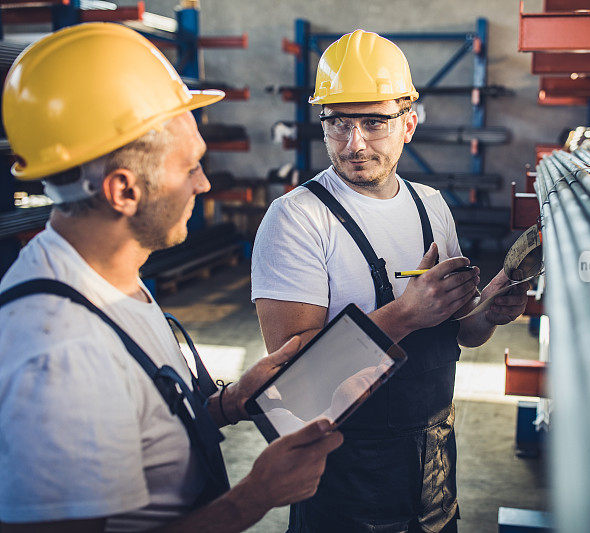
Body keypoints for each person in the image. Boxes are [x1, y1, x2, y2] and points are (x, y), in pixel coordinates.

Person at [0, 23, 342, 532]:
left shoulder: (104, 281)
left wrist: (228, 403)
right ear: (123, 191)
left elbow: (140, 430)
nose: (204, 183)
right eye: (190, 168)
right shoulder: (63, 358)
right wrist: (256, 496)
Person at [251, 29, 528, 532]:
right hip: (345, 476)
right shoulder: (296, 219)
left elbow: (458, 334)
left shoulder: (432, 207)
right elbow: (294, 386)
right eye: (338, 124)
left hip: (434, 465)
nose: (355, 144)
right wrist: (403, 314)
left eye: (374, 123)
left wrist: (487, 311)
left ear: (408, 124)